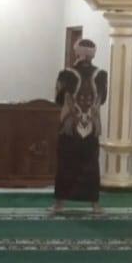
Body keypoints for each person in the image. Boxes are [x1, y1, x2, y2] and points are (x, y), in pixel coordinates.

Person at [50, 38, 108, 215]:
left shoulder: (65, 74)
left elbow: (58, 99)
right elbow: (102, 100)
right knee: (91, 164)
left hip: (69, 126)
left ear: (78, 52)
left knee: (65, 164)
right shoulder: (101, 74)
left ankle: (59, 204)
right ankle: (95, 205)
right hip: (92, 127)